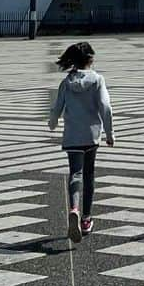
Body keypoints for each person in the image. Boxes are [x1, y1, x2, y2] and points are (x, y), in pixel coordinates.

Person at [48, 40, 114, 242]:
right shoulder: (97, 80)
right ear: (90, 59)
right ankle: (86, 219)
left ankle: (74, 207)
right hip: (91, 135)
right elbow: (105, 106)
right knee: (89, 175)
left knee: (75, 173)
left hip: (73, 136)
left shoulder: (66, 83)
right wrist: (110, 133)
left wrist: (52, 123)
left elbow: (56, 108)